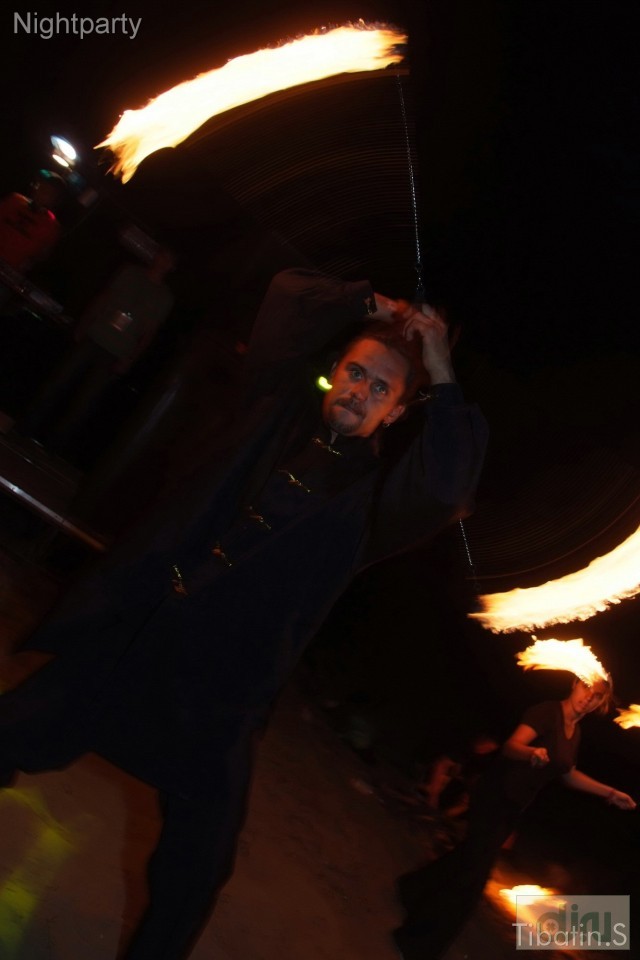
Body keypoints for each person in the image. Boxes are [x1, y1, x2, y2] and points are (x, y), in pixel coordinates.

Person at [0, 267, 488, 960]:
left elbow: (446, 485)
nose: (360, 391)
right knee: (14, 731)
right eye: (355, 372)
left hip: (217, 701)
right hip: (130, 645)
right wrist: (372, 304)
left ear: (397, 413)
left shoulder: (376, 505)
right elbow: (287, 301)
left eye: (381, 389)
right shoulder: (274, 412)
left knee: (196, 870)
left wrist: (439, 366)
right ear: (335, 372)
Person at [393, 674, 636, 960]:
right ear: (574, 684)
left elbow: (568, 775)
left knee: (466, 858)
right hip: (494, 796)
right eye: (586, 688)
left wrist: (610, 792)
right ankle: (415, 944)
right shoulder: (547, 712)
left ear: (600, 703)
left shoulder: (575, 731)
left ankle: (412, 889)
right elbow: (512, 746)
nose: (588, 698)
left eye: (596, 696)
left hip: (512, 806)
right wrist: (531, 752)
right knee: (471, 880)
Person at [17, 246, 175, 454]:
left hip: (117, 350)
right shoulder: (131, 272)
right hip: (95, 335)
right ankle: (26, 428)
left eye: (168, 259)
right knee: (58, 382)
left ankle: (54, 445)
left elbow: (149, 332)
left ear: (171, 266)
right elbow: (105, 296)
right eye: (162, 255)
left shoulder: (163, 297)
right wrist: (84, 324)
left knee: (84, 401)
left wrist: (130, 359)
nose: (162, 261)